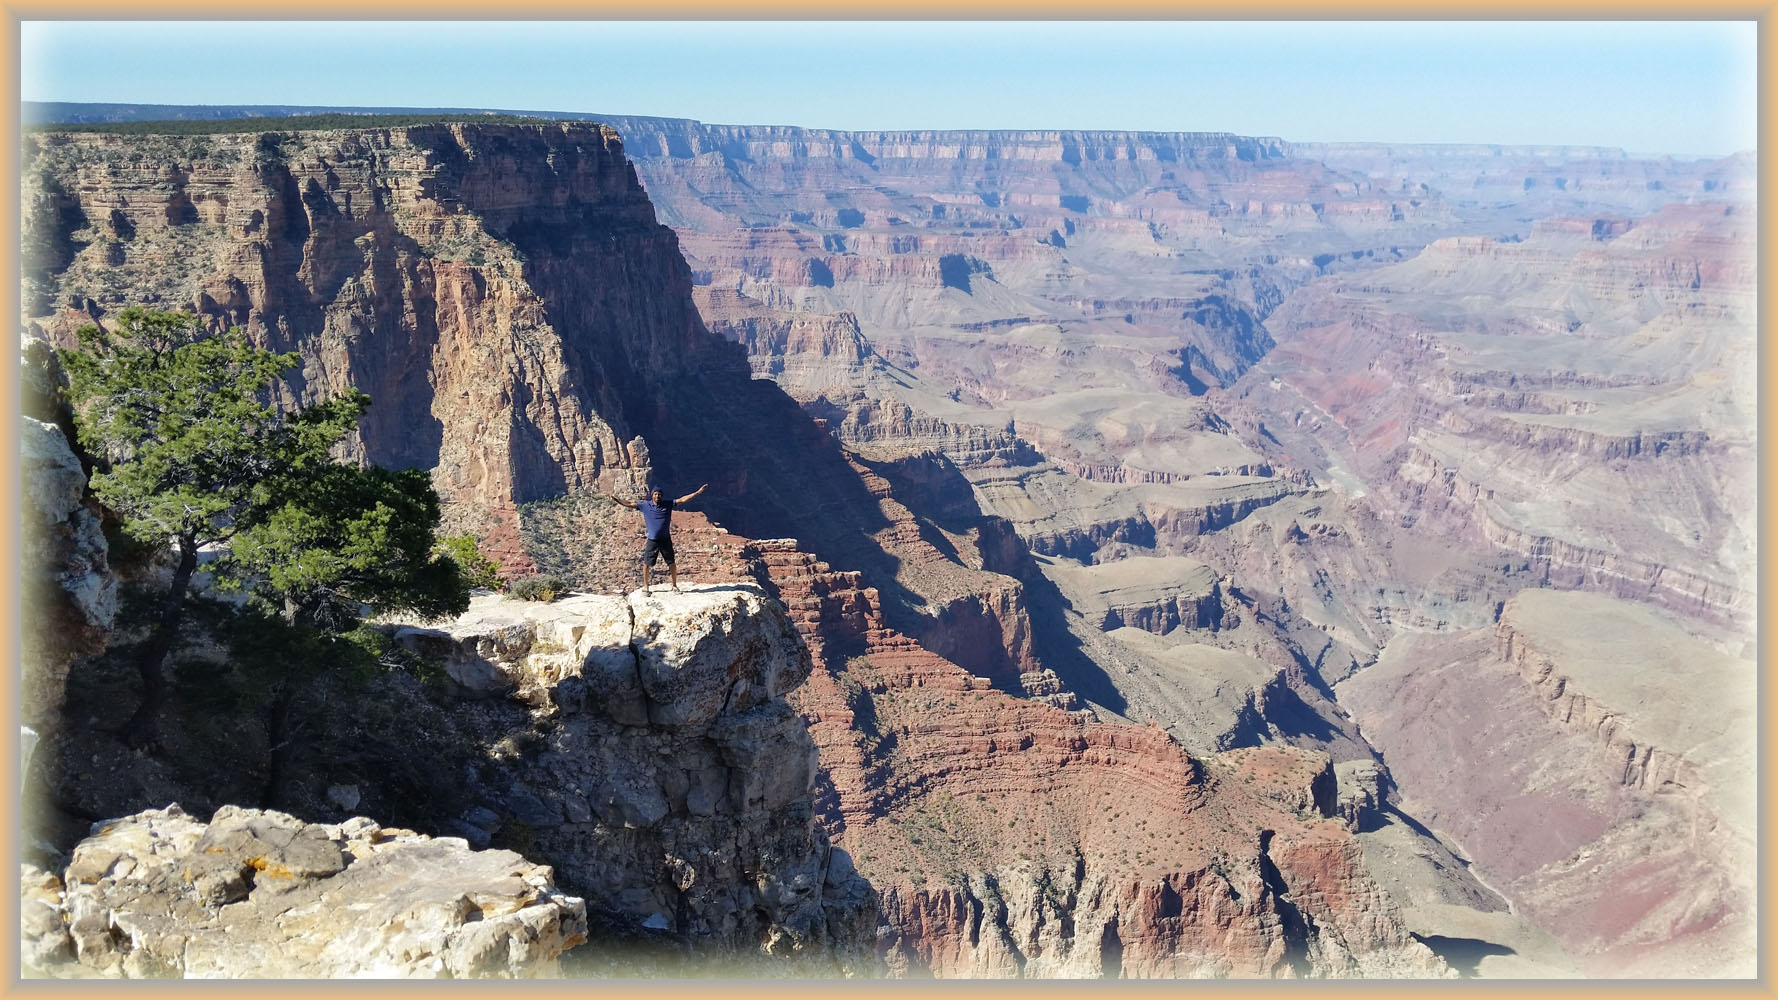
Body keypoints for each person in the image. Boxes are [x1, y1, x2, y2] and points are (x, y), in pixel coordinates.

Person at [605, 482, 708, 593]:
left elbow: (682, 500)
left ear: (661, 496)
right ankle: (646, 588)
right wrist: (615, 499)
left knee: (671, 563)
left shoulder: (667, 504)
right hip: (652, 540)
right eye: (655, 494)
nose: (657, 496)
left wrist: (698, 492)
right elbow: (629, 503)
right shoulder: (645, 506)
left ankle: (674, 586)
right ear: (652, 495)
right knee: (646, 564)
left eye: (659, 494)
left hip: (665, 539)